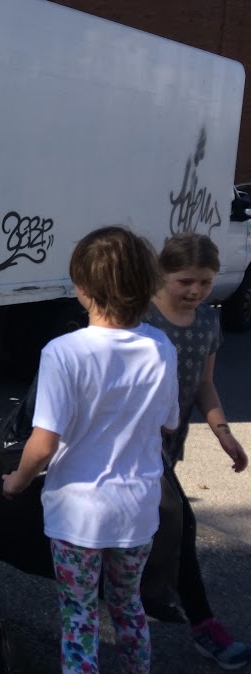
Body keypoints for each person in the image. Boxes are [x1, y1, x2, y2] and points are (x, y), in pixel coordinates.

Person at [3, 226, 180, 674]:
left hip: (78, 514)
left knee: (79, 616)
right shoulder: (161, 348)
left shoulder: (63, 352)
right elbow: (168, 423)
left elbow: (43, 445)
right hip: (137, 510)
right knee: (129, 606)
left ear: (82, 288)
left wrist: (16, 481)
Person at [143, 233, 250, 670]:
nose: (196, 291)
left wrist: (223, 433)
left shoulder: (208, 320)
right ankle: (204, 625)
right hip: (132, 446)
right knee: (180, 526)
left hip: (169, 446)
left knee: (154, 528)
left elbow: (204, 384)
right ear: (161, 274)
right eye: (185, 281)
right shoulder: (139, 315)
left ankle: (134, 598)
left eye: (205, 282)